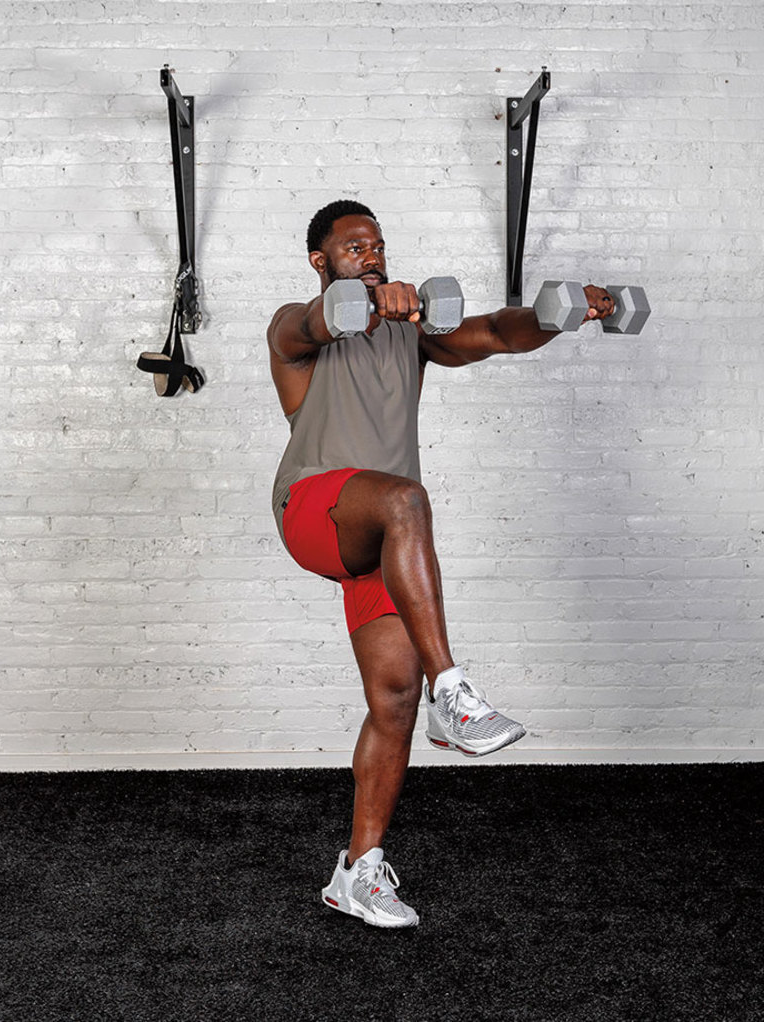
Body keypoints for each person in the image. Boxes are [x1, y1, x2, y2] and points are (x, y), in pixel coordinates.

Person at [267, 199, 615, 928]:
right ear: (319, 259)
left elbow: (494, 332)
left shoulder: (413, 332)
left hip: (378, 545)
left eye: (379, 243)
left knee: (392, 698)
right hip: (313, 509)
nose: (371, 251)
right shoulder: (297, 329)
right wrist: (365, 296)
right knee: (407, 500)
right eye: (353, 246)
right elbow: (309, 322)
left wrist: (561, 315)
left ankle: (358, 873)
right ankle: (453, 693)